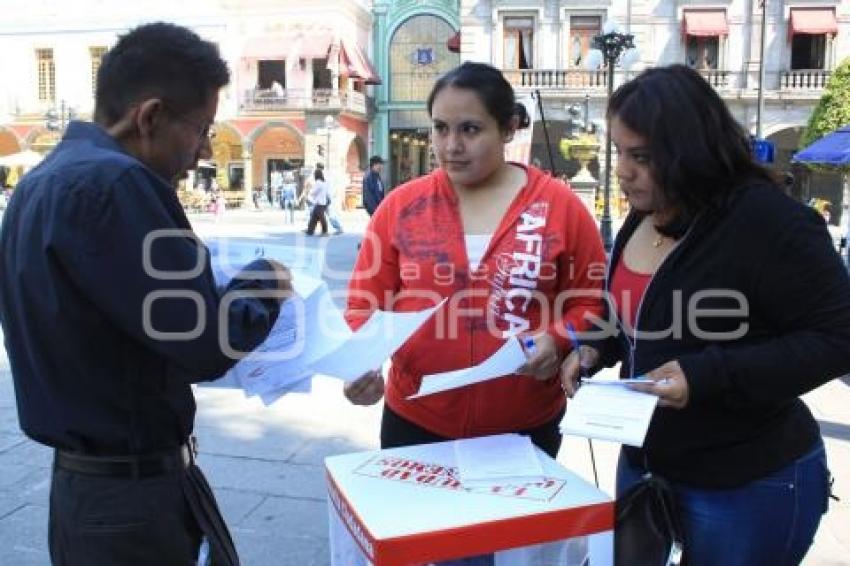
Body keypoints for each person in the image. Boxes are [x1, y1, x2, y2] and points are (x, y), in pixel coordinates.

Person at [0, 22, 293, 566]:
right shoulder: (117, 185)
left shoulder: (40, 182)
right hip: (132, 505)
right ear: (150, 116)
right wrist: (264, 283)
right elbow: (204, 339)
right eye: (201, 128)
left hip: (88, 491)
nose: (205, 149)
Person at [559, 65, 850, 565]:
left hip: (746, 482)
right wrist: (594, 346)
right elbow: (632, 310)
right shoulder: (647, 208)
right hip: (645, 464)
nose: (623, 170)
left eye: (642, 156)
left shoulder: (770, 222)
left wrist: (707, 375)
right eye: (620, 152)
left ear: (688, 151)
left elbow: (838, 338)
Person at [343, 61, 605, 462]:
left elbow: (591, 303)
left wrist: (559, 337)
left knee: (514, 529)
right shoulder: (400, 207)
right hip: (415, 418)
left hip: (526, 425)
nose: (451, 146)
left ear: (506, 130)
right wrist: (358, 365)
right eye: (440, 128)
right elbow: (364, 304)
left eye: (470, 129)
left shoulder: (559, 206)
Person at [304, 168, 330, 236]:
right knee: (314, 217)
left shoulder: (318, 182)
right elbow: (326, 192)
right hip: (323, 202)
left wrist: (309, 190)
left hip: (319, 202)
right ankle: (310, 230)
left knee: (321, 217)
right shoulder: (324, 182)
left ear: (316, 175)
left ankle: (324, 231)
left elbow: (313, 192)